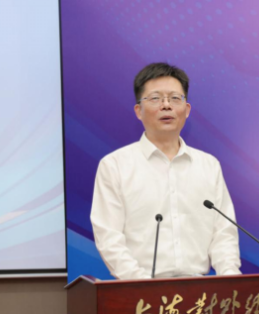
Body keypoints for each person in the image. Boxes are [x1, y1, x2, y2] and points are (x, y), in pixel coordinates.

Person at [90, 63, 241, 279]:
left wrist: (230, 279)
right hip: (141, 291)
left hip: (200, 291)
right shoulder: (115, 166)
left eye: (174, 98)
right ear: (138, 111)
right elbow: (109, 238)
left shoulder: (208, 165)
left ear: (186, 110)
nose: (166, 105)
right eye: (155, 98)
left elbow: (223, 233)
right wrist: (142, 285)